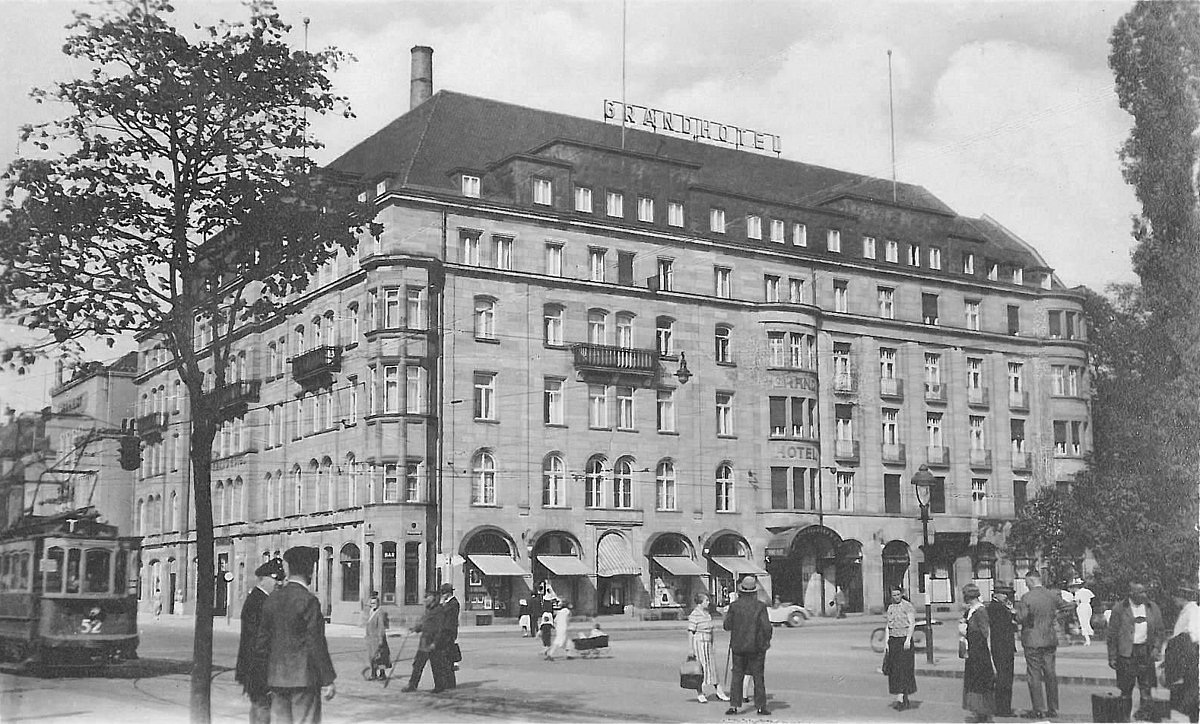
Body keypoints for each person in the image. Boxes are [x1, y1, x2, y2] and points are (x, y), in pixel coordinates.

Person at [253, 546, 336, 724]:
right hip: (304, 680)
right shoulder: (309, 601)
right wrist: (328, 679)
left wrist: (262, 678)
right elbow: (316, 642)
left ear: (288, 568)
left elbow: (262, 644)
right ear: (310, 571)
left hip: (276, 679)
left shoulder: (272, 599)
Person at [1107, 580, 1165, 721]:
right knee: (1126, 690)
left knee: (1146, 688)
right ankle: (1125, 718)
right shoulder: (1119, 609)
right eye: (1140, 592)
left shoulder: (1152, 607)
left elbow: (1160, 631)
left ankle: (1145, 718)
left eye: (1145, 591)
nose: (1144, 595)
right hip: (1126, 653)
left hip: (1145, 652)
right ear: (1131, 593)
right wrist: (1112, 656)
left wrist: (1156, 648)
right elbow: (1112, 634)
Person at [235, 558, 284, 724]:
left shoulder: (259, 599)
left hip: (255, 667)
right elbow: (258, 642)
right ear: (265, 579)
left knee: (259, 707)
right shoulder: (259, 602)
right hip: (258, 668)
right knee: (262, 708)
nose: (279, 583)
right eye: (276, 579)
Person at [1015, 570, 1063, 719]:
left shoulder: (1027, 597)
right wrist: (1055, 618)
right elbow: (1068, 606)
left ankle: (1039, 709)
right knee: (1050, 673)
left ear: (1030, 581)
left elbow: (1021, 618)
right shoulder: (1052, 595)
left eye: (1026, 582)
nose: (1025, 585)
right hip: (1049, 639)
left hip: (1032, 640)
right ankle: (1053, 708)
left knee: (1034, 674)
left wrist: (1015, 615)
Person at [722, 574, 772, 716]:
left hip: (738, 646)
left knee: (737, 675)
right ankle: (761, 707)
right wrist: (766, 643)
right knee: (758, 677)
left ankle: (734, 706)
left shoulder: (734, 606)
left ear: (741, 591)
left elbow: (727, 626)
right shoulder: (760, 606)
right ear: (754, 591)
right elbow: (767, 627)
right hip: (756, 647)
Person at [1162, 586, 1199, 723]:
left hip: (1186, 658)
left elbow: (1192, 635)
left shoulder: (1192, 611)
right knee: (1185, 694)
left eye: (1175, 598)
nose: (1174, 601)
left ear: (1181, 598)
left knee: (1187, 694)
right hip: (1182, 656)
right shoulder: (1187, 611)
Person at [960, 583, 996, 723]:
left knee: (981, 681)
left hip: (980, 652)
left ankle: (984, 713)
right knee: (974, 681)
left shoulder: (980, 611)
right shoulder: (970, 610)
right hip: (973, 651)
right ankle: (978, 712)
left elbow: (986, 633)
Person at [686, 591, 730, 704]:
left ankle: (719, 691)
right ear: (700, 602)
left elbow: (711, 631)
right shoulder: (694, 614)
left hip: (708, 643)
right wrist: (690, 649)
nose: (708, 602)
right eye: (706, 600)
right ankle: (700, 693)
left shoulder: (707, 614)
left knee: (712, 668)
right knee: (701, 670)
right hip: (699, 643)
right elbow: (691, 632)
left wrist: (713, 644)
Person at [986, 582, 1019, 717]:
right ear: (997, 595)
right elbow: (1007, 625)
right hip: (1001, 646)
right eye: (1005, 595)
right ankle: (1003, 709)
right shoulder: (995, 607)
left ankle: (1004, 707)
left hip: (1005, 646)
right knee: (1004, 678)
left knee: (1005, 677)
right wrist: (1012, 614)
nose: (1008, 597)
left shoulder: (1001, 606)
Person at [884, 586, 918, 711]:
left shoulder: (907, 606)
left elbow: (911, 623)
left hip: (904, 641)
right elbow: (888, 626)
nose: (896, 597)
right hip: (894, 640)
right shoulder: (890, 608)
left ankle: (902, 697)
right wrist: (886, 642)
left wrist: (908, 639)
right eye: (894, 595)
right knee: (895, 670)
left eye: (898, 594)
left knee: (904, 669)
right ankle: (902, 696)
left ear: (901, 594)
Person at [401, 590, 441, 693]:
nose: (425, 599)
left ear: (433, 598)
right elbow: (424, 624)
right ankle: (412, 685)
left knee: (436, 665)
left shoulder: (439, 610)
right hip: (424, 641)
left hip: (432, 642)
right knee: (418, 664)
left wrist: (435, 643)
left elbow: (440, 629)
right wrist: (415, 628)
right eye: (425, 597)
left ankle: (439, 686)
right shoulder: (427, 610)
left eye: (427, 597)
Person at [427, 582, 459, 692]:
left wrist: (441, 604)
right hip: (445, 633)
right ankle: (449, 683)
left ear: (447, 593)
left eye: (443, 593)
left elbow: (443, 613)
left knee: (444, 659)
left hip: (448, 634)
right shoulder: (449, 603)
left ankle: (445, 684)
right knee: (446, 659)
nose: (442, 596)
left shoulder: (453, 603)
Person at [364, 592, 390, 681]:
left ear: (378, 603)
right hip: (371, 639)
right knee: (372, 658)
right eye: (371, 603)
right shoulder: (370, 612)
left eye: (374, 603)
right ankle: (373, 673)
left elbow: (381, 627)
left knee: (380, 658)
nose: (373, 605)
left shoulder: (380, 613)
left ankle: (382, 673)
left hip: (378, 639)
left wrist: (381, 640)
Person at [1072, 579, 1095, 646]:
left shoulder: (1078, 592)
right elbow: (1092, 598)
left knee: (1083, 623)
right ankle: (1090, 634)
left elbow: (1077, 601)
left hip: (1082, 606)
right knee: (1087, 621)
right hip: (1088, 606)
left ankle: (1088, 639)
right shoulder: (1087, 591)